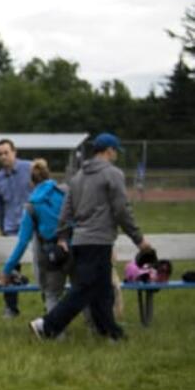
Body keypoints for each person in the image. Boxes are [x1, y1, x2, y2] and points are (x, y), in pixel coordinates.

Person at [31, 134, 151, 341]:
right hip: (100, 240)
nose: (115, 156)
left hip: (80, 240)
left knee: (104, 291)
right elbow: (122, 209)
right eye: (115, 152)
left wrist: (62, 236)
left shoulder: (77, 177)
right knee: (83, 289)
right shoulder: (113, 174)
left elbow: (66, 211)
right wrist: (139, 239)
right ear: (109, 150)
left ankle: (111, 332)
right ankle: (47, 326)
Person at [1, 159, 68, 312]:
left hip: (54, 255)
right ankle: (94, 329)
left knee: (52, 295)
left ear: (31, 181)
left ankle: (56, 332)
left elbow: (23, 243)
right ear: (49, 175)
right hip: (74, 248)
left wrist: (6, 270)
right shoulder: (64, 193)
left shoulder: (32, 206)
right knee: (82, 290)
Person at [0, 139, 33, 317]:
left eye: (6, 152)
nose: (3, 156)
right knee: (10, 269)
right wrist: (2, 228)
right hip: (11, 229)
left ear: (14, 152)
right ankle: (11, 307)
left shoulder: (30, 169)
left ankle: (49, 304)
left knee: (45, 267)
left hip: (34, 226)